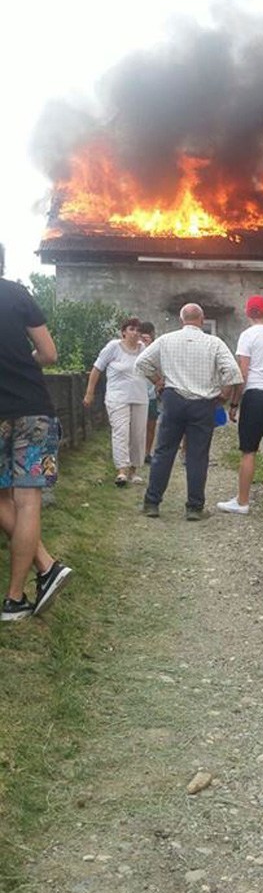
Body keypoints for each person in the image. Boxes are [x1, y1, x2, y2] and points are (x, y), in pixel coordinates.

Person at [0, 244, 72, 620]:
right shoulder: (16, 293)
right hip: (33, 409)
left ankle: (45, 569)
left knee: (2, 499)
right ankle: (19, 594)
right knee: (28, 501)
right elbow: (49, 353)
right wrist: (21, 363)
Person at [135, 304, 241, 520]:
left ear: (181, 320)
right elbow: (233, 372)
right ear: (202, 320)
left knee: (164, 452)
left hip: (173, 400)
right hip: (203, 404)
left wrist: (158, 381)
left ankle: (152, 503)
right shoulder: (214, 343)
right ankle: (194, 507)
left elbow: (142, 362)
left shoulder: (166, 340)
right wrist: (224, 395)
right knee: (197, 455)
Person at [217, 294, 263, 520]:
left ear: (248, 313)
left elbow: (242, 372)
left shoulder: (248, 335)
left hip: (256, 396)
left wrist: (234, 403)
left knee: (249, 451)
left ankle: (242, 501)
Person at [83, 316, 149, 486]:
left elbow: (150, 369)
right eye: (131, 329)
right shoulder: (113, 347)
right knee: (121, 432)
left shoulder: (143, 349)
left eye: (138, 330)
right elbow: (97, 369)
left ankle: (134, 470)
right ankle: (122, 471)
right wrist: (89, 393)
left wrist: (159, 382)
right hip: (117, 398)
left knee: (137, 435)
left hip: (139, 397)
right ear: (123, 332)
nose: (135, 333)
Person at [139, 321, 160, 462]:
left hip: (151, 393)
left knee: (151, 425)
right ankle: (140, 452)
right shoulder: (136, 348)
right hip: (137, 393)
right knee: (140, 426)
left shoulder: (155, 349)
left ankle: (147, 453)